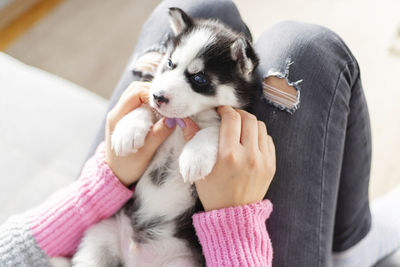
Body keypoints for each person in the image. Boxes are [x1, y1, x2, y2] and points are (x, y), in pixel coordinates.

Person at [1, 0, 400, 266]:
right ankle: (352, 244)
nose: (165, 88)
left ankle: (352, 238)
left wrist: (106, 176)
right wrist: (233, 222)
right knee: (309, 51)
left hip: (116, 224)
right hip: (185, 248)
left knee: (201, 6)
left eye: (190, 77)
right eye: (173, 70)